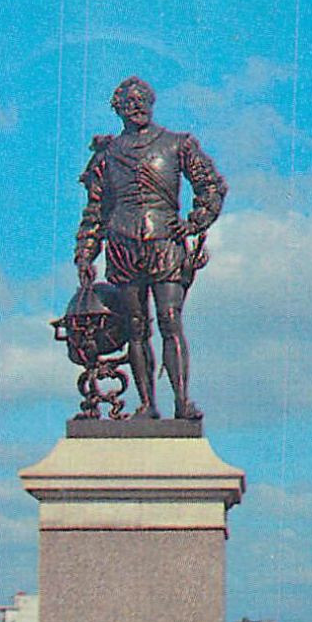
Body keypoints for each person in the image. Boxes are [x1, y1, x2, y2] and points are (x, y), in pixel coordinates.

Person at [75, 76, 227, 420]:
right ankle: (146, 405)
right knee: (136, 326)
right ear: (118, 109)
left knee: (170, 320)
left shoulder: (177, 144)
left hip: (165, 242)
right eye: (129, 102)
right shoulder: (107, 156)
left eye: (142, 99)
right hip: (123, 245)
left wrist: (196, 221)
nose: (137, 105)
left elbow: (212, 186)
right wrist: (86, 253)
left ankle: (182, 401)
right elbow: (95, 211)